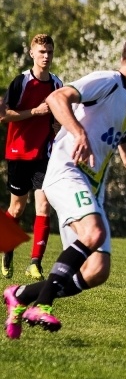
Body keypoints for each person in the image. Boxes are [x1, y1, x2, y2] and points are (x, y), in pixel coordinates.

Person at [3, 34, 126, 339]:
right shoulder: (107, 81)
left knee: (96, 270)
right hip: (67, 172)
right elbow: (57, 99)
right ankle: (42, 306)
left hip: (91, 189)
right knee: (94, 234)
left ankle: (20, 295)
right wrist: (78, 133)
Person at [0, 34, 63, 281]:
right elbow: (4, 116)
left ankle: (35, 263)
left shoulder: (57, 84)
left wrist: (58, 126)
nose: (46, 56)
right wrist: (34, 112)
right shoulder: (21, 81)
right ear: (32, 54)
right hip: (18, 152)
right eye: (42, 52)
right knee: (17, 208)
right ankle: (6, 250)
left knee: (44, 205)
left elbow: (60, 115)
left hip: (43, 154)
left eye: (49, 52)